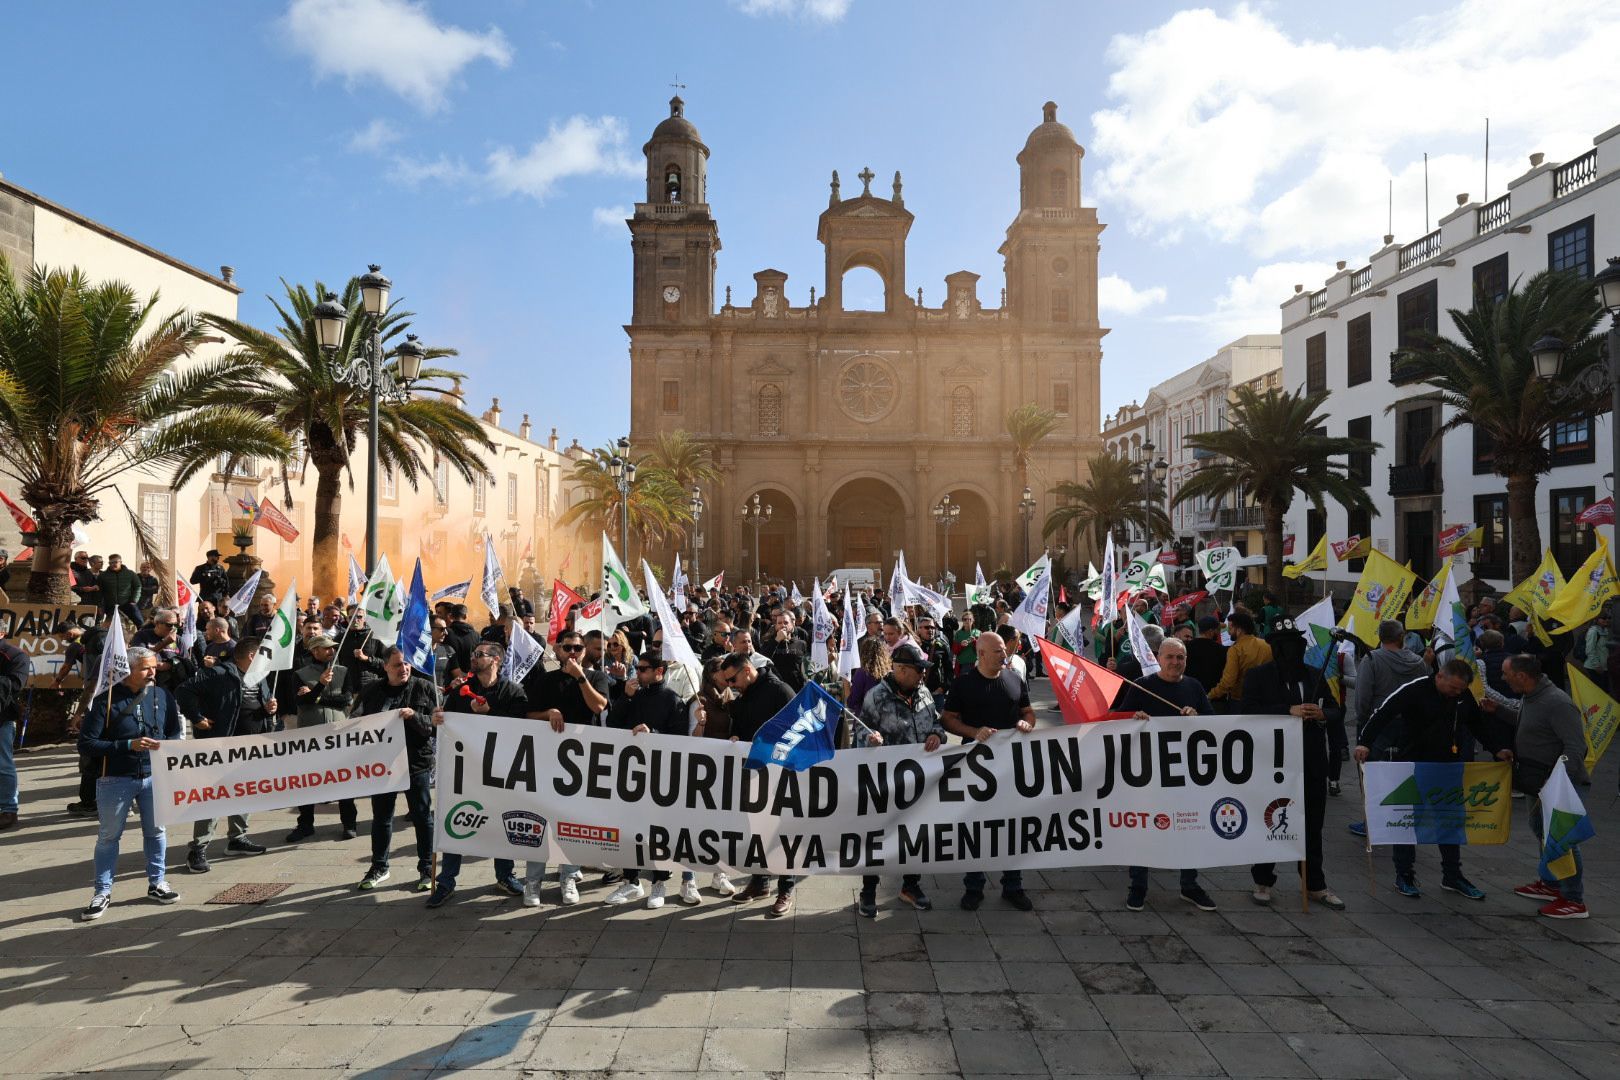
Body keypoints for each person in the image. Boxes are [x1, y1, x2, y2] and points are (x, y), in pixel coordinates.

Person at [1354, 658, 1513, 899]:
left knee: (1449, 821)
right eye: (1453, 688)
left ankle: (1452, 875)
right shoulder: (1414, 689)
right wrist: (1364, 743)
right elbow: (1382, 714)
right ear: (1440, 676)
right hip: (1413, 766)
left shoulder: (1462, 696)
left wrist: (1497, 748)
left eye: (1461, 689)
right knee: (1407, 822)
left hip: (1448, 767)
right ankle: (1404, 874)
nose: (1457, 693)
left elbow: (1477, 724)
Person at [1240, 622, 1344, 910]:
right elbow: (1247, 710)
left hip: (1310, 761)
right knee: (1270, 818)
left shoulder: (1314, 675)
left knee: (1312, 822)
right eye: (1285, 645)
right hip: (1273, 762)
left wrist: (1322, 713)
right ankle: (1263, 879)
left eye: (1296, 645)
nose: (1292, 651)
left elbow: (1337, 710)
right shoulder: (1258, 677)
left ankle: (1314, 883)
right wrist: (1287, 711)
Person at [75, 647, 183, 919]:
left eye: (154, 667)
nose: (153, 672)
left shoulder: (161, 695)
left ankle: (157, 882)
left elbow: (174, 731)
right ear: (128, 670)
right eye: (146, 668)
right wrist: (127, 745)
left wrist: (167, 744)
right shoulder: (106, 700)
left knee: (156, 831)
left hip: (153, 777)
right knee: (109, 837)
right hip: (115, 779)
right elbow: (86, 743)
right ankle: (102, 891)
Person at [1118, 637, 1219, 912]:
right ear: (1159, 658)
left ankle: (1190, 885)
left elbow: (1215, 723)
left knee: (1190, 828)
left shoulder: (1194, 686)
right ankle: (1138, 886)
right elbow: (1117, 720)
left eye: (1181, 657)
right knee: (1143, 830)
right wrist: (1133, 718)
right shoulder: (1144, 686)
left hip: (1185, 774)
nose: (1175, 662)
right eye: (1170, 657)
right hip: (1148, 774)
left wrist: (1197, 717)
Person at [941, 633, 1038, 912]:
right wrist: (973, 732)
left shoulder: (1014, 679)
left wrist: (1027, 723)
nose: (1004, 654)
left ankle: (1013, 885)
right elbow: (947, 719)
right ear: (981, 654)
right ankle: (974, 886)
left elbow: (1029, 712)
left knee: (1012, 827)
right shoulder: (963, 684)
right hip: (976, 771)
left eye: (1004, 650)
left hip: (1010, 769)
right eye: (997, 651)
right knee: (976, 828)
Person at [428, 643, 528, 908]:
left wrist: (489, 715)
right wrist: (437, 717)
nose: (473, 658)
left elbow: (521, 729)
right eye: (473, 654)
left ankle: (505, 875)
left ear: (495, 660)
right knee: (456, 821)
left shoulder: (512, 691)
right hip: (464, 772)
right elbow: (447, 720)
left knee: (500, 822)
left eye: (479, 655)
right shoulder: (461, 691)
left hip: (501, 773)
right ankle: (446, 880)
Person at [603, 653, 700, 908]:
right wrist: (625, 697)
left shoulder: (672, 699)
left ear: (659, 671)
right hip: (631, 773)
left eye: (644, 669)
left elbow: (679, 737)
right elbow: (613, 723)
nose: (639, 673)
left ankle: (659, 883)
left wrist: (653, 733)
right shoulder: (634, 694)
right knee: (629, 828)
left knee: (657, 832)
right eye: (639, 669)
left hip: (659, 774)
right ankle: (632, 881)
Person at [1498, 654, 1591, 919]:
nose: (1503, 678)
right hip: (1536, 779)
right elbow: (1529, 722)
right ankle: (1551, 883)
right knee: (1541, 831)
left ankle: (1574, 899)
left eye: (1506, 674)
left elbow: (1575, 746)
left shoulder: (1558, 702)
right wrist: (1499, 711)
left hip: (1557, 784)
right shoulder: (1532, 695)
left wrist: (1558, 781)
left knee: (1563, 840)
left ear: (1521, 676)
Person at [857, 642, 942, 915]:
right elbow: (858, 734)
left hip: (919, 783)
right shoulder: (876, 697)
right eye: (919, 670)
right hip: (885, 784)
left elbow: (937, 723)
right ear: (901, 670)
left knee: (916, 836)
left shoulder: (924, 692)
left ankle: (910, 885)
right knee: (876, 837)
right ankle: (868, 890)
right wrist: (870, 740)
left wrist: (937, 735)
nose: (923, 675)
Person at [175, 639, 275, 872]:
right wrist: (197, 717)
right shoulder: (218, 674)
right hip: (221, 746)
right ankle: (197, 849)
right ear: (251, 656)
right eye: (262, 654)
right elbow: (183, 690)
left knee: (243, 790)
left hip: (251, 744)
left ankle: (237, 838)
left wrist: (268, 710)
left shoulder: (259, 675)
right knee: (214, 796)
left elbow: (251, 707)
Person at [721, 652, 800, 915]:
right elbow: (743, 727)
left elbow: (796, 730)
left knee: (781, 832)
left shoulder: (779, 691)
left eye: (732, 679)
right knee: (755, 830)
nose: (730, 685)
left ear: (746, 670)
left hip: (779, 773)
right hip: (754, 773)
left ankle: (786, 888)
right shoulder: (743, 694)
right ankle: (759, 881)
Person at [357, 648, 440, 892]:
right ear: (384, 667)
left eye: (406, 664)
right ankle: (379, 866)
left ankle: (427, 868)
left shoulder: (424, 688)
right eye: (397, 665)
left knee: (422, 817)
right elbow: (356, 722)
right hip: (383, 766)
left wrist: (414, 716)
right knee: (382, 817)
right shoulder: (371, 691)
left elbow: (436, 725)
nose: (403, 668)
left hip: (416, 763)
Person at [285, 634, 356, 842]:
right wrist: (319, 685)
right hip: (311, 735)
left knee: (344, 780)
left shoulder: (343, 671)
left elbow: (346, 699)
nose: (331, 651)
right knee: (308, 781)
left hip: (338, 734)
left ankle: (349, 823)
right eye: (326, 648)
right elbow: (302, 702)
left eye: (332, 648)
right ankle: (305, 824)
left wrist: (317, 696)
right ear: (315, 651)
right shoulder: (300, 674)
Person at [0, 630, 30, 831]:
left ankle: (9, 810)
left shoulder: (16, 655)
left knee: (3, 764)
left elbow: (15, 684)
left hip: (1, 719)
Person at [1209, 611, 1271, 708]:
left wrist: (1210, 695)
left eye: (1230, 628)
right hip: (1265, 699)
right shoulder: (1267, 645)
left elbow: (1228, 682)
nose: (1229, 632)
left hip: (1240, 701)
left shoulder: (1235, 650)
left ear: (1239, 629)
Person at [97, 554, 144, 627]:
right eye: (111, 563)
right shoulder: (103, 575)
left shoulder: (130, 574)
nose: (113, 564)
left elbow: (138, 587)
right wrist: (100, 605)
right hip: (110, 605)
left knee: (140, 623)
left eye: (115, 562)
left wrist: (134, 600)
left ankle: (142, 637)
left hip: (127, 604)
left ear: (120, 562)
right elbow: (99, 592)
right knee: (108, 626)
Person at [847, 637, 890, 713]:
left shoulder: (862, 673)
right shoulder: (889, 672)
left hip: (865, 720)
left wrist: (846, 686)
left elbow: (852, 702)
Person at [1185, 616, 1228, 692]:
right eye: (1217, 630)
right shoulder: (1222, 650)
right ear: (1211, 631)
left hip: (1191, 691)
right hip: (1214, 696)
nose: (1218, 632)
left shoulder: (1186, 647)